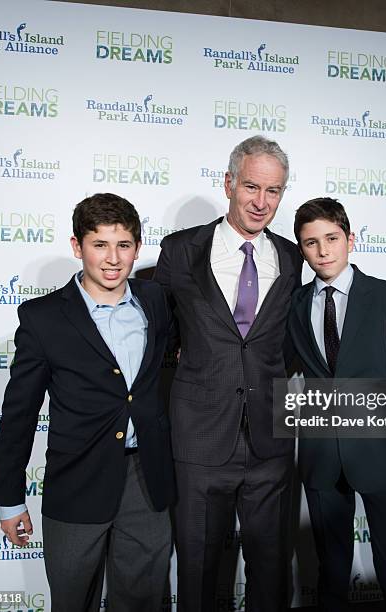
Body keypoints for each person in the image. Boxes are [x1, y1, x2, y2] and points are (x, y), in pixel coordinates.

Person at [0, 193, 175, 612]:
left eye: (123, 245)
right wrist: (10, 499)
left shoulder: (157, 302)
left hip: (148, 481)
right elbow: (18, 413)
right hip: (75, 485)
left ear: (137, 249)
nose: (113, 258)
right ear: (77, 247)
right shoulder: (43, 317)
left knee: (143, 601)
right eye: (100, 245)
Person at [154, 135, 302, 612]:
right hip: (199, 441)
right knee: (195, 573)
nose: (261, 202)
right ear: (229, 183)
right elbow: (158, 338)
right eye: (252, 187)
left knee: (272, 571)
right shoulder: (180, 251)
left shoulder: (292, 257)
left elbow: (289, 343)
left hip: (270, 444)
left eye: (274, 191)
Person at [288, 197, 386, 611]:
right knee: (330, 572)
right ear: (302, 249)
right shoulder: (296, 304)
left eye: (332, 238)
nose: (323, 250)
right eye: (311, 243)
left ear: (350, 239)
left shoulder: (384, 296)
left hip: (381, 454)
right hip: (320, 455)